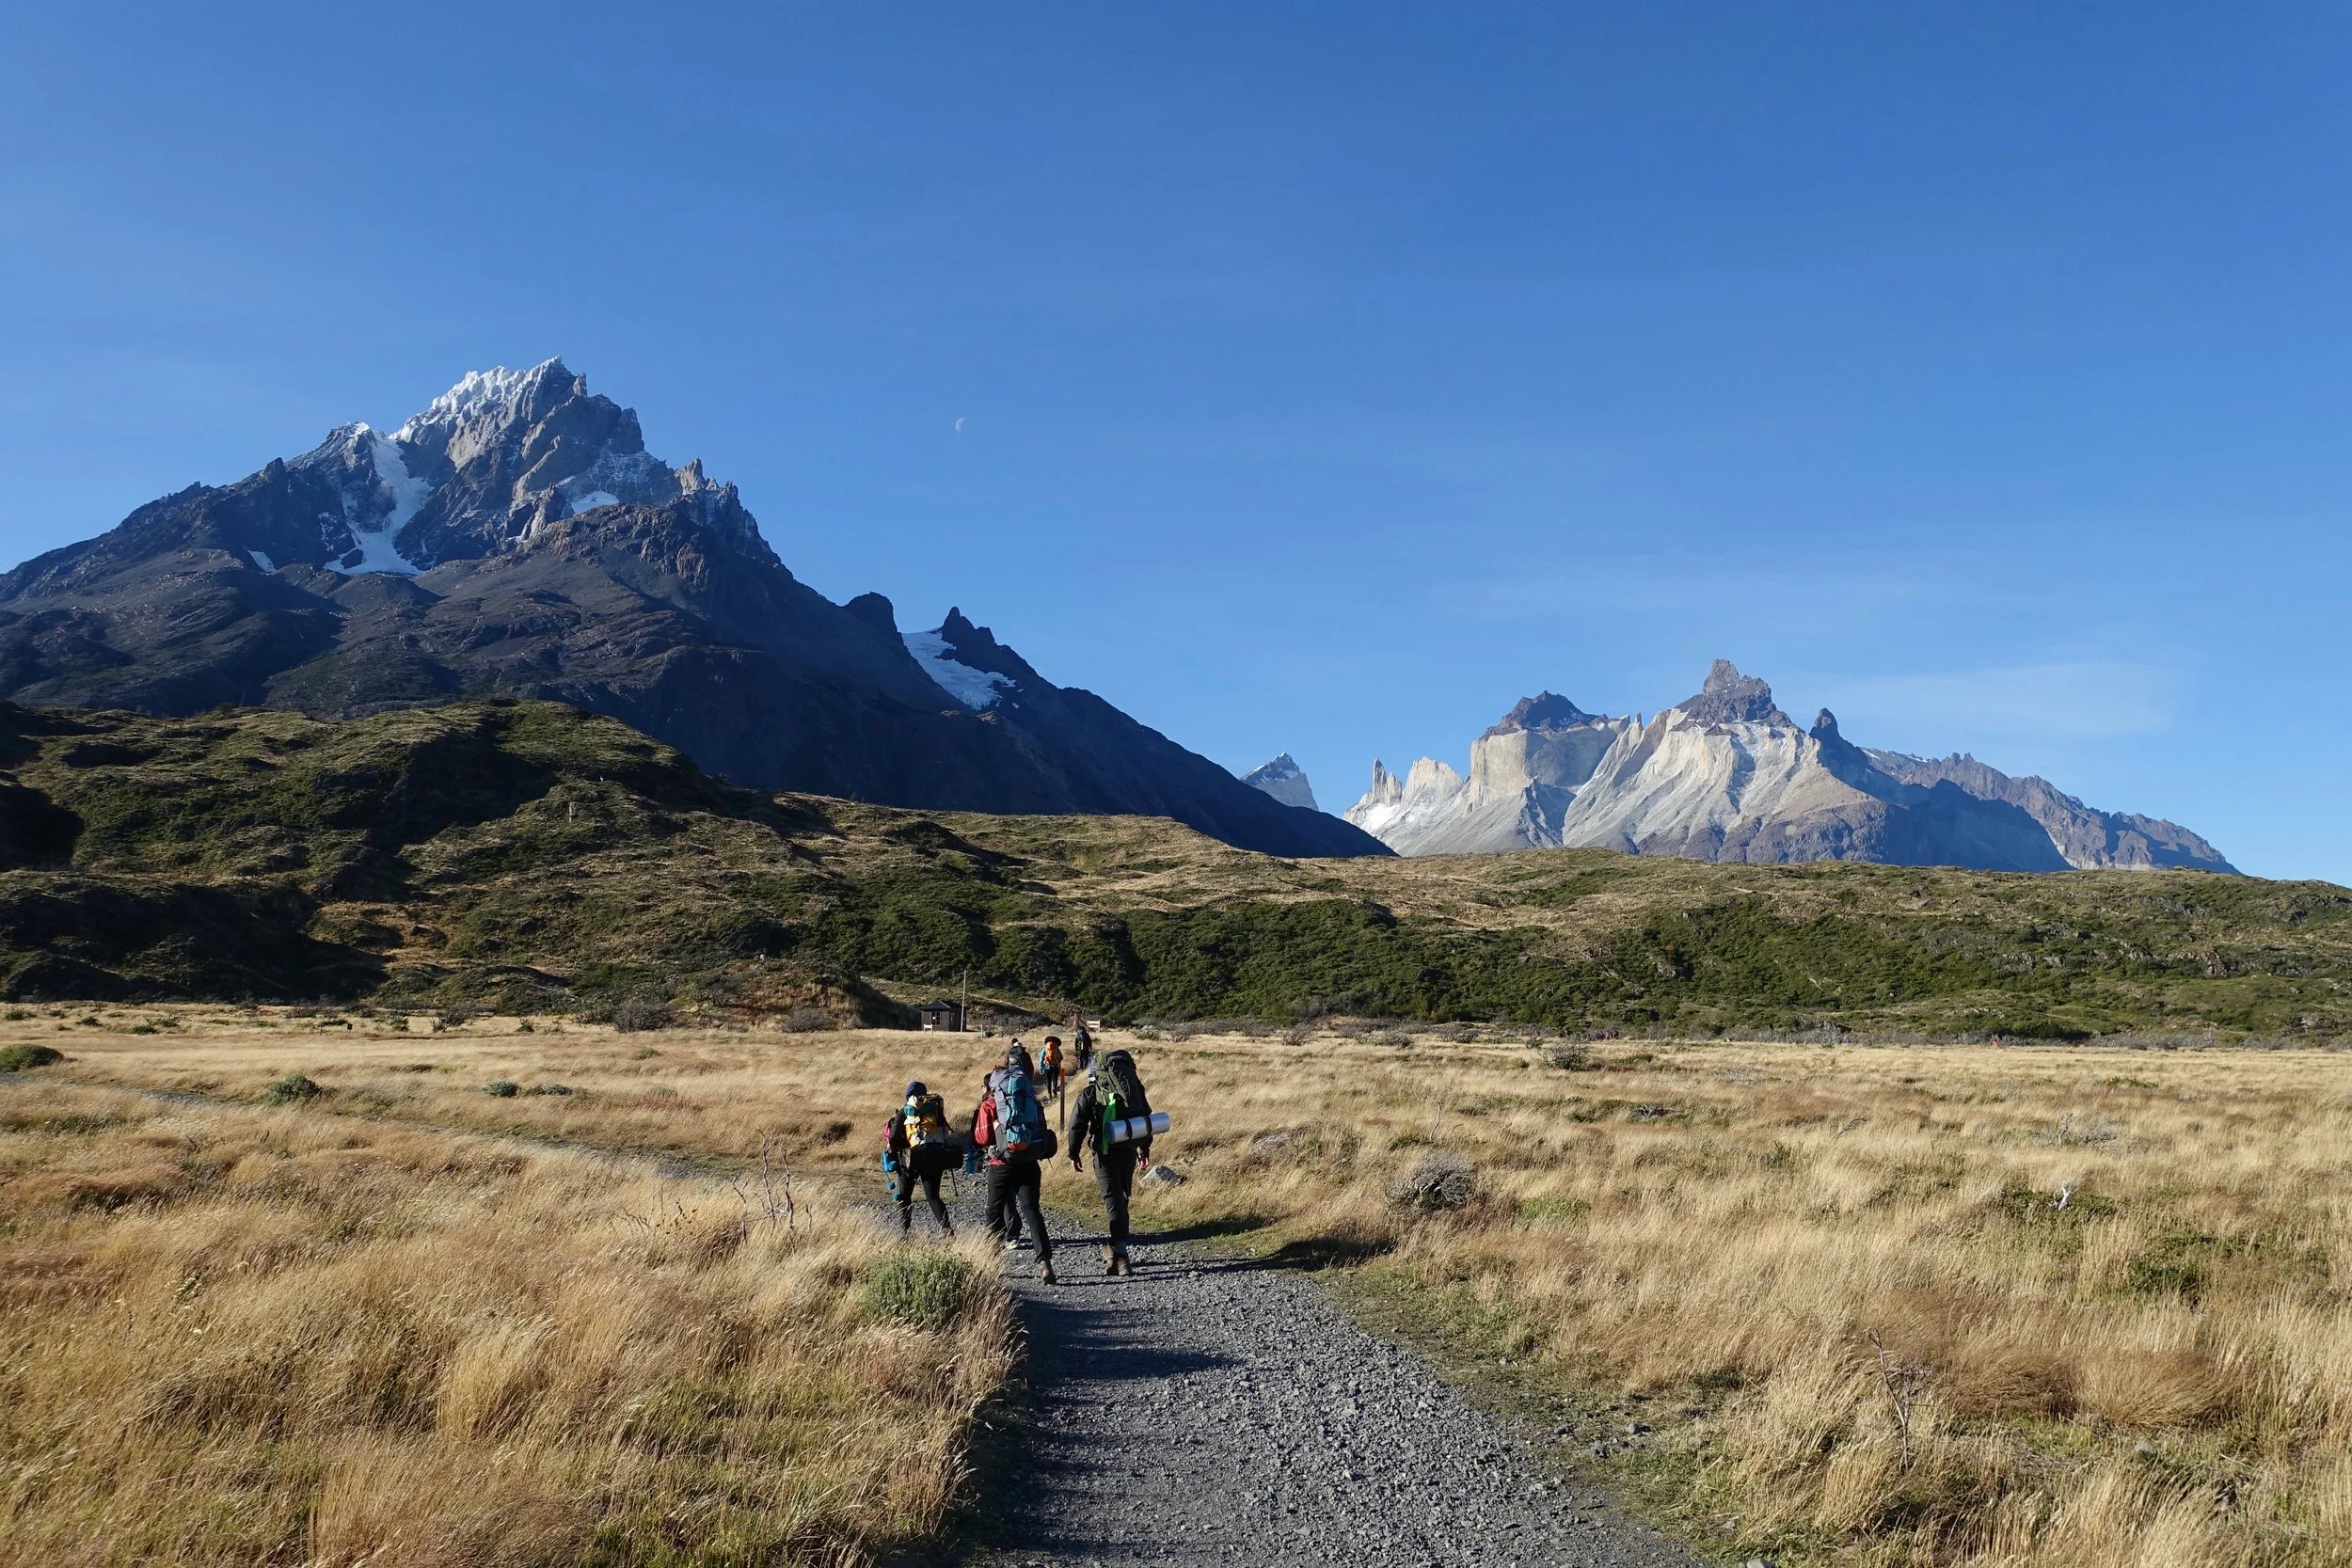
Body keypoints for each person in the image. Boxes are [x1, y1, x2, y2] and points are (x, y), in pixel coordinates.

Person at [1068, 1048, 1152, 1276]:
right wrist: (1144, 1149)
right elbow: (1146, 1116)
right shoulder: (1134, 1090)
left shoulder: (1091, 1093)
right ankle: (1114, 1251)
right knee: (1122, 1199)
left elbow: (1077, 1125)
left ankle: (1121, 1255)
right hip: (1129, 1149)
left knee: (1113, 1200)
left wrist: (1073, 1154)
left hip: (1104, 1154)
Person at [971, 1058, 1057, 1283]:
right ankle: (1044, 1263)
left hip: (1001, 1166)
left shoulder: (990, 1103)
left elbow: (981, 1137)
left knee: (994, 1211)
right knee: (1032, 1211)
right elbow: (1040, 1130)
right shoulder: (1031, 1100)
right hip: (1029, 1162)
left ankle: (990, 1260)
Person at [884, 1081, 957, 1234]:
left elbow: (894, 1136)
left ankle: (905, 1231)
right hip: (937, 1154)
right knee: (933, 1196)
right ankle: (946, 1229)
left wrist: (899, 1144)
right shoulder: (935, 1109)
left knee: (905, 1195)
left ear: (908, 1096)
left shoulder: (905, 1111)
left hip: (915, 1156)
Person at [1038, 1036, 1065, 1101]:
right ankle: (1055, 1092)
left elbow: (1041, 1059)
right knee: (1055, 1080)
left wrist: (1041, 1068)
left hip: (1047, 1066)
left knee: (1048, 1080)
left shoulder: (1045, 1049)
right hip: (1055, 1066)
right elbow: (1061, 1057)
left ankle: (1049, 1093)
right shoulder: (1057, 1048)